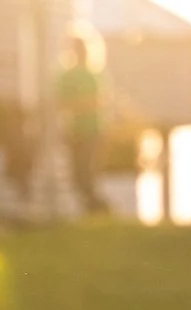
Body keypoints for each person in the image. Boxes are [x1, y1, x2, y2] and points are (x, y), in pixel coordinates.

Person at [55, 27, 107, 217]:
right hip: (74, 131)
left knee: (87, 172)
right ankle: (92, 209)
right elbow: (61, 102)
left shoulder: (93, 75)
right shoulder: (66, 76)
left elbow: (98, 102)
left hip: (92, 131)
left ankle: (98, 209)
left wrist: (79, 103)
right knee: (77, 174)